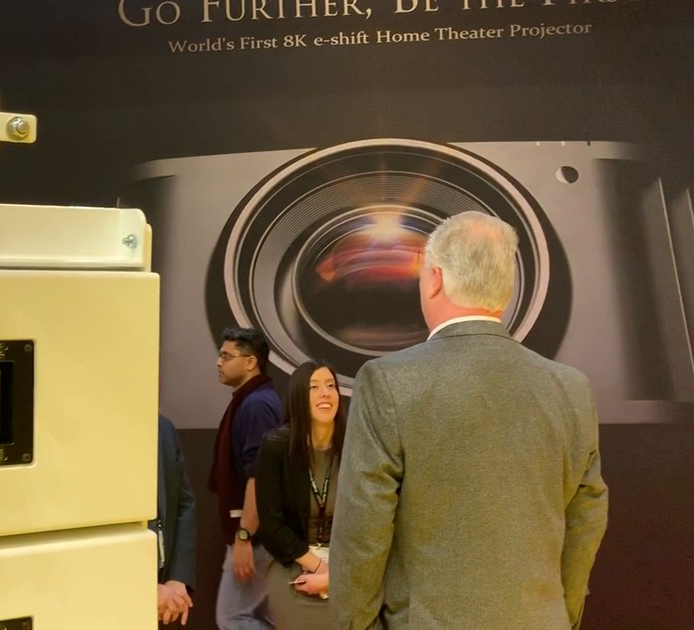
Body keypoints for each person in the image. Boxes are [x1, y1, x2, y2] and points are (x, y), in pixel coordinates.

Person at [329, 211, 609, 630]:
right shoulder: (570, 388)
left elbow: (361, 532)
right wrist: (559, 616)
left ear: (435, 279)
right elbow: (586, 521)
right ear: (507, 289)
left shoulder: (388, 382)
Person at [255, 359, 347, 629]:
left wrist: (336, 576)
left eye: (331, 386)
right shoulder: (276, 448)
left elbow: (370, 521)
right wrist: (320, 569)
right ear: (298, 396)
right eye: (314, 387)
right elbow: (272, 525)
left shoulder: (356, 446)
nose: (325, 394)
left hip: (347, 569)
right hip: (294, 566)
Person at [207, 327, 283, 629]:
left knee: (233, 617)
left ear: (251, 362)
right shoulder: (252, 400)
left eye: (227, 356)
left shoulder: (256, 405)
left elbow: (259, 478)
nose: (218, 362)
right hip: (256, 536)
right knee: (268, 618)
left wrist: (243, 538)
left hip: (255, 538)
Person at [154, 413, 197, 626]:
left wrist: (178, 578)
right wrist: (144, 588)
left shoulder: (163, 428)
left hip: (166, 587)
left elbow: (184, 504)